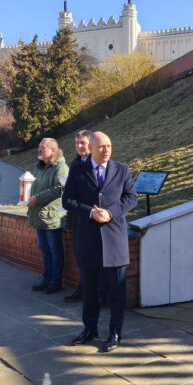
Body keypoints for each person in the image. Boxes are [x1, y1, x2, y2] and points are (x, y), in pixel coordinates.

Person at [62, 131, 137, 352]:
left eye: (109, 146)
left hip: (115, 239)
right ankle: (90, 329)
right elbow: (68, 200)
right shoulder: (78, 169)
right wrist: (89, 213)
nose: (106, 150)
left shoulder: (122, 169)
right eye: (102, 146)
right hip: (88, 239)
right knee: (90, 290)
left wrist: (111, 212)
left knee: (116, 290)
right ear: (92, 148)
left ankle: (115, 332)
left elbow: (131, 198)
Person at [27, 138, 69, 294]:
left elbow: (60, 188)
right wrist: (26, 195)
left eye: (42, 148)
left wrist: (37, 198)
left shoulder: (61, 167)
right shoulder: (39, 167)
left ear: (54, 150)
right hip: (39, 215)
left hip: (52, 217)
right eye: (39, 148)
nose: (39, 151)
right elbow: (32, 186)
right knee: (44, 249)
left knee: (55, 250)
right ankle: (46, 278)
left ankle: (55, 281)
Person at [64, 130, 90, 303]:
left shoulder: (95, 165)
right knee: (80, 257)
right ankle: (82, 289)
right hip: (77, 218)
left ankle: (93, 292)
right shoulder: (75, 164)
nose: (80, 146)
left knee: (91, 259)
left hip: (92, 219)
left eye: (83, 143)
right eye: (77, 143)